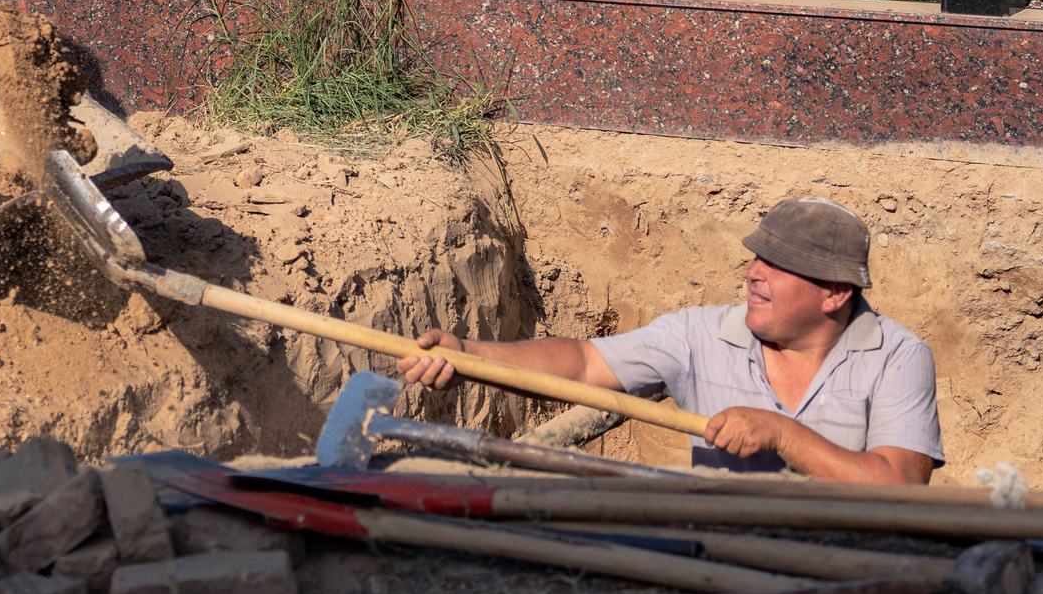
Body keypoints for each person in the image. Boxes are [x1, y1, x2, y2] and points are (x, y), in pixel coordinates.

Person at [397, 195, 941, 483]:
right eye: (756, 256)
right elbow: (585, 362)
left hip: (850, 569)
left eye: (777, 265)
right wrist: (470, 354)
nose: (754, 273)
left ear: (834, 294)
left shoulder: (898, 356)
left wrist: (781, 434)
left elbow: (897, 484)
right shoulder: (697, 334)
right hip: (717, 556)